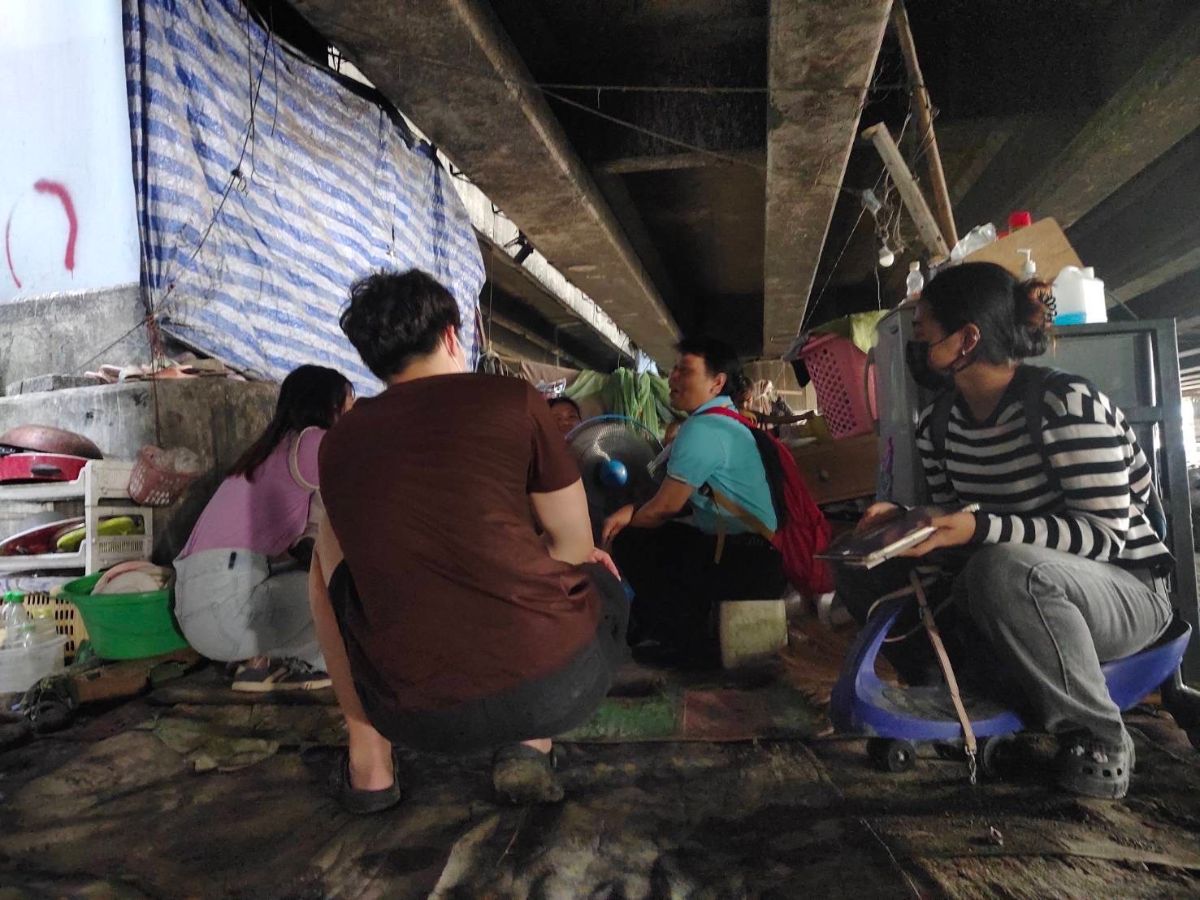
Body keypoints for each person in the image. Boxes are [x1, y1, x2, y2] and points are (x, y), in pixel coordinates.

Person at [837, 261, 1172, 800]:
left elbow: (1103, 535)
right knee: (864, 564)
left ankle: (1101, 736)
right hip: (1014, 587)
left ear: (967, 340)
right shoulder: (939, 425)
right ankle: (946, 691)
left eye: (923, 333)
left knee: (1003, 566)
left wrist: (976, 528)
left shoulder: (1066, 405)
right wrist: (905, 522)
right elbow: (957, 523)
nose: (916, 348)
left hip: (1121, 591)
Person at [310, 269, 627, 814]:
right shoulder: (514, 399)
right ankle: (530, 747)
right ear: (453, 335)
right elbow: (574, 542)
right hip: (556, 683)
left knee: (324, 555)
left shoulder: (339, 441)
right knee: (591, 565)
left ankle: (370, 763)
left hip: (410, 710)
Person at [601, 337, 787, 667]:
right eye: (674, 369)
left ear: (717, 383)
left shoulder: (701, 429)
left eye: (685, 371)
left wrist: (622, 523)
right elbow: (690, 500)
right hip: (761, 557)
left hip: (745, 562)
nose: (673, 378)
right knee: (665, 537)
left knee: (633, 541)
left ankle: (684, 644)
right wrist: (634, 510)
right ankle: (673, 627)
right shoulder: (728, 419)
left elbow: (664, 507)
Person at [174, 365, 353, 691]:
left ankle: (263, 666)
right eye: (349, 404)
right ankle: (311, 667)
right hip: (225, 610)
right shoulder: (311, 442)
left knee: (322, 579)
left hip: (201, 613)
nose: (353, 415)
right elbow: (365, 464)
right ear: (328, 406)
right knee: (344, 592)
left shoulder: (272, 452)